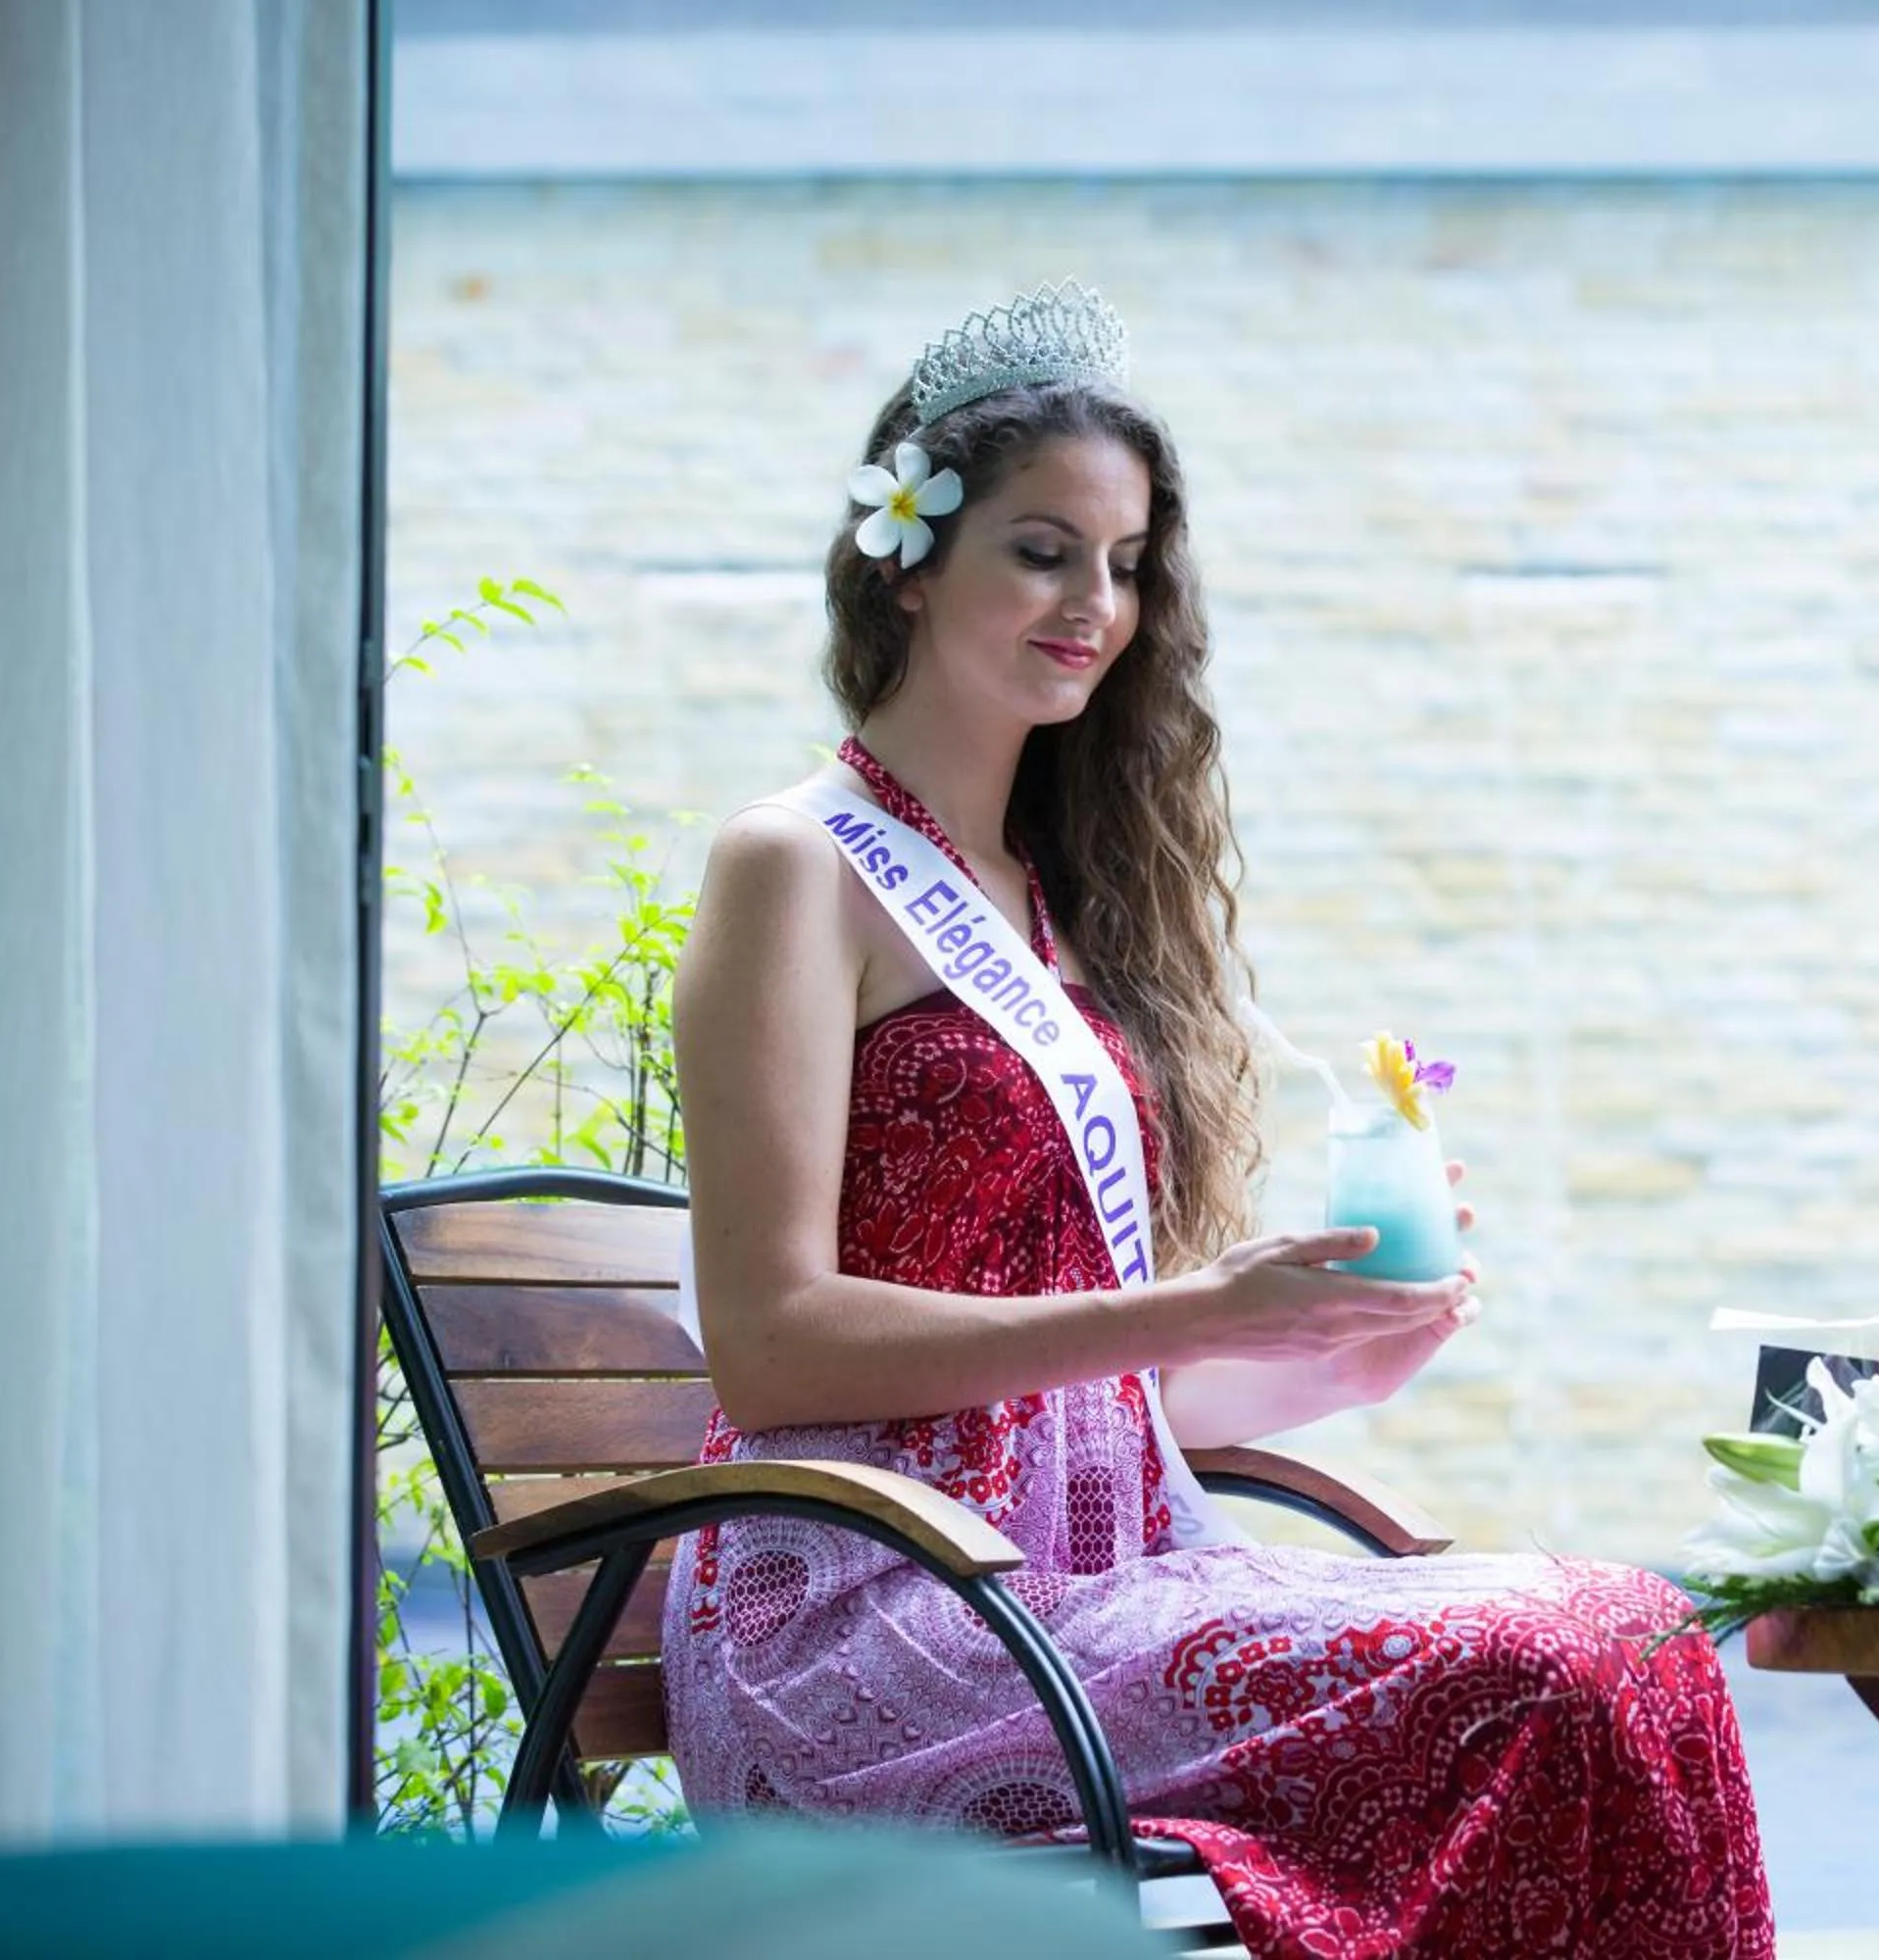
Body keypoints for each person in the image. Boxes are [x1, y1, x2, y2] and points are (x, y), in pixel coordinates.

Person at [661, 281, 1774, 1958]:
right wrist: (1205, 1299)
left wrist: (1331, 1349)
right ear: (908, 552)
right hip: (867, 1616)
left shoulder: (1047, 907)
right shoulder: (796, 867)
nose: (1092, 605)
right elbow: (769, 1344)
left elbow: (1095, 1389)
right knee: (1547, 1664)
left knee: (1633, 1635)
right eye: (1043, 549)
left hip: (1090, 1590)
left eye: (1123, 565)